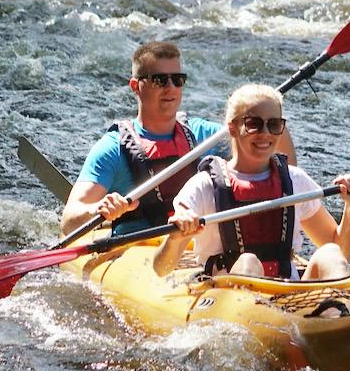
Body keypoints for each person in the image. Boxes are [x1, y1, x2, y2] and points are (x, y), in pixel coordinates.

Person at [61, 41, 295, 237]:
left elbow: (283, 170)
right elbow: (69, 221)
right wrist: (99, 209)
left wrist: (270, 120)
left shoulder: (205, 135)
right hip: (137, 250)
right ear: (136, 86)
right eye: (160, 80)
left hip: (194, 244)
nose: (171, 88)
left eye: (178, 79)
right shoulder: (112, 148)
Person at [152, 84, 350, 281]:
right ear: (233, 129)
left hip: (288, 294)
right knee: (248, 261)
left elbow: (340, 247)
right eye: (254, 124)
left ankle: (344, 316)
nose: (266, 134)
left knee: (331, 253)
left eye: (274, 124)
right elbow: (162, 268)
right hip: (229, 295)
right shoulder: (203, 186)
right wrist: (177, 236)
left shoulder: (295, 180)